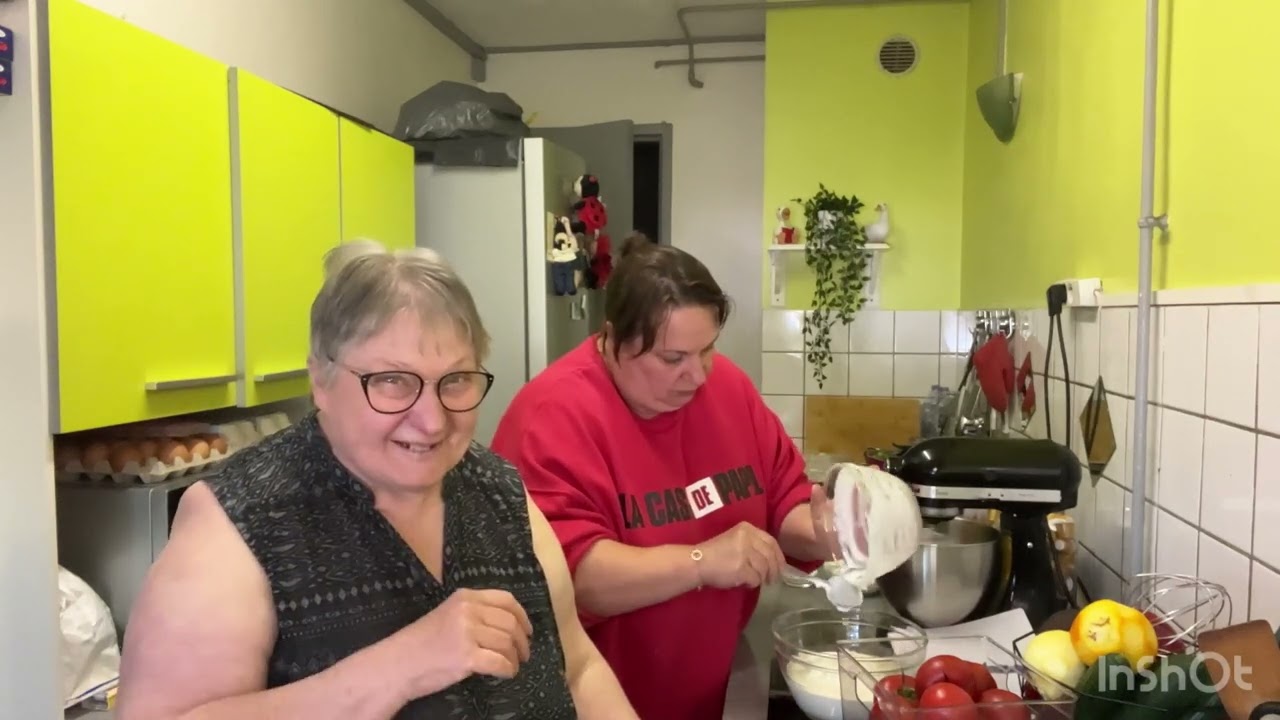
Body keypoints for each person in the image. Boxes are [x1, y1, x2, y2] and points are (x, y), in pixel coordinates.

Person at [118, 240, 638, 720]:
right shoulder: (238, 521)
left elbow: (578, 670)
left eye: (455, 380)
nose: (432, 421)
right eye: (392, 382)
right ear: (320, 380)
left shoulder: (500, 490)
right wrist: (397, 667)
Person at [490, 234, 832, 720]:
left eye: (707, 350)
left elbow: (784, 500)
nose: (697, 375)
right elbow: (570, 578)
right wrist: (702, 561)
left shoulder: (729, 388)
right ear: (612, 340)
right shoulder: (551, 416)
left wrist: (831, 531)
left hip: (698, 696)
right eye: (672, 359)